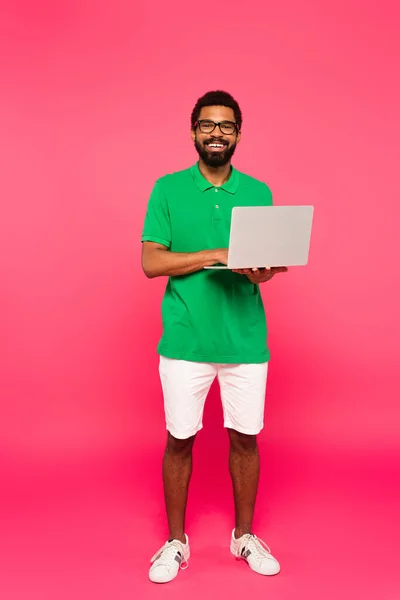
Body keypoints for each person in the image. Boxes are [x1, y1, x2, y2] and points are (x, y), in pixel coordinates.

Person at [141, 90, 287, 584]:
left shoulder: (260, 192)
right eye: (208, 125)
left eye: (226, 126)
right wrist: (212, 254)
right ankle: (175, 542)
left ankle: (244, 535)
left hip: (245, 339)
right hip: (185, 341)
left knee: (245, 440)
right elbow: (151, 261)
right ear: (193, 132)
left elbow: (260, 267)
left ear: (239, 134)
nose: (217, 133)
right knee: (179, 440)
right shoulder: (166, 189)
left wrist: (260, 272)